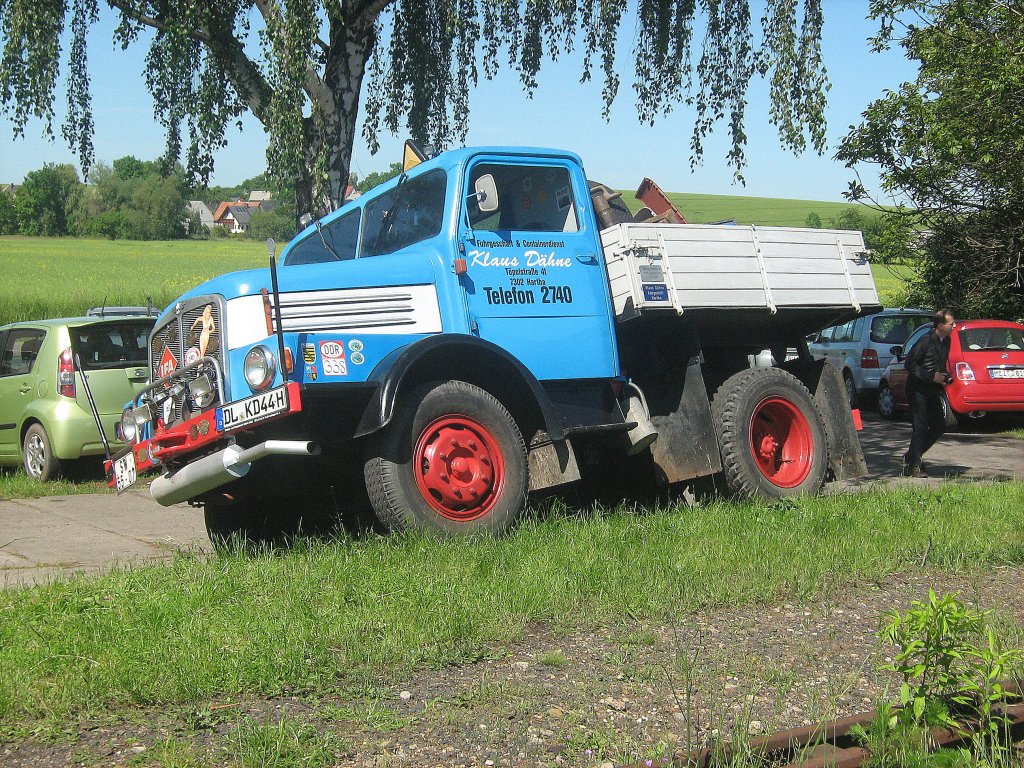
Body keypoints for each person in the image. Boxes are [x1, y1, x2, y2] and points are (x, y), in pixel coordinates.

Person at [902, 308, 956, 477]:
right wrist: (932, 376)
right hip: (917, 389)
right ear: (940, 325)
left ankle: (912, 455)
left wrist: (944, 376)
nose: (953, 326)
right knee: (920, 427)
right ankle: (913, 466)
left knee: (940, 425)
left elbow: (939, 364)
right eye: (950, 324)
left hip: (933, 390)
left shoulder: (946, 341)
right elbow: (909, 364)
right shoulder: (925, 341)